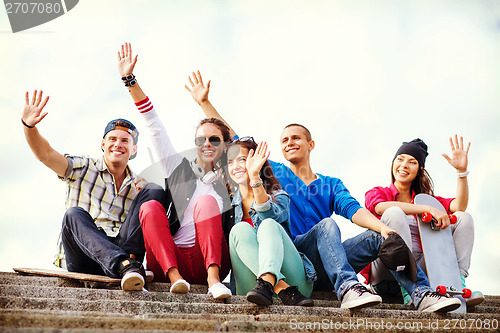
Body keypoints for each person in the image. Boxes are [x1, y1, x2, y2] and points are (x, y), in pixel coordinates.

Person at [185, 71, 462, 312]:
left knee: (382, 238)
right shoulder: (277, 173)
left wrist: (384, 230)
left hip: (326, 259)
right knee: (325, 226)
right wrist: (204, 103)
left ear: (311, 144)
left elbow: (355, 211)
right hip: (292, 254)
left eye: (295, 138)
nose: (289, 143)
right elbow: (239, 143)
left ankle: (422, 294)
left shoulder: (330, 183)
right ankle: (349, 288)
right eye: (284, 140)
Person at [117, 43, 233, 299]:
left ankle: (213, 280)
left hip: (209, 260)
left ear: (225, 146)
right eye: (200, 139)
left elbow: (241, 141)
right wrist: (130, 80)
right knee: (149, 207)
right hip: (170, 259)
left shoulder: (231, 176)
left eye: (214, 140)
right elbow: (154, 125)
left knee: (205, 202)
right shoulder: (178, 168)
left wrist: (205, 103)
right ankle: (175, 279)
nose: (207, 144)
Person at [21, 90, 165, 291]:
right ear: (103, 144)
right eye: (113, 139)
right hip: (84, 256)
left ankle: (128, 264)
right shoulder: (82, 167)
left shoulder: (137, 184)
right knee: (73, 214)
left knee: (155, 191)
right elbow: (45, 154)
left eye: (125, 141)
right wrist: (29, 126)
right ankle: (125, 265)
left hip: (121, 247)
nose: (118, 144)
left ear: (134, 150)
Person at [364, 137, 484, 307]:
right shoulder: (378, 192)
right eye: (400, 159)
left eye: (411, 161)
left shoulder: (427, 201)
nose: (404, 164)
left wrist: (461, 173)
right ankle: (411, 290)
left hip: (422, 271)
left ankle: (456, 283)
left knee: (464, 218)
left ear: (419, 169)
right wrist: (425, 210)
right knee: (395, 212)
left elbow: (460, 206)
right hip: (387, 272)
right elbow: (380, 207)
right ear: (393, 164)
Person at [227, 137, 314, 306]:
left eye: (242, 160)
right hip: (254, 288)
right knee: (239, 229)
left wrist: (254, 178)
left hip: (295, 282)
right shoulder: (227, 207)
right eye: (230, 162)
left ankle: (270, 281)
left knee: (267, 224)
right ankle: (279, 287)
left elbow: (270, 217)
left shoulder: (279, 196)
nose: (236, 166)